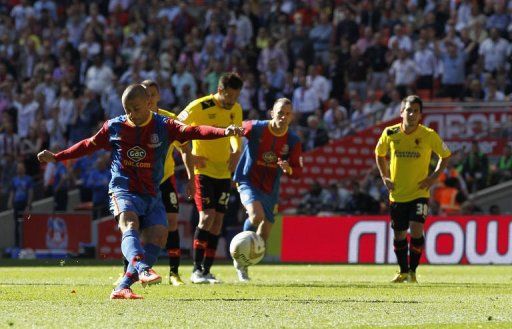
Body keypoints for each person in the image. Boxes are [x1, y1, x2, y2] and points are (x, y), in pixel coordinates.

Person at [38, 84, 242, 299]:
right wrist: (58, 157)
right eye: (127, 109)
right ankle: (142, 268)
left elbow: (194, 131)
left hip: (151, 192)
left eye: (136, 108)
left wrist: (224, 131)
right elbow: (89, 144)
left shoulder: (164, 125)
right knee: (129, 223)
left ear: (148, 103)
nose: (131, 114)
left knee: (159, 235)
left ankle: (123, 286)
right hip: (123, 189)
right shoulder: (114, 126)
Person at [117, 79, 193, 286]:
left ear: (157, 97)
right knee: (134, 225)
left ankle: (174, 272)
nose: (149, 98)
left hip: (163, 179)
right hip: (138, 181)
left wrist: (191, 178)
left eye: (152, 94)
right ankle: (130, 272)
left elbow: (186, 148)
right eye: (145, 94)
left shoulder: (168, 121)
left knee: (171, 223)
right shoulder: (130, 122)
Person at [375, 95, 451, 283]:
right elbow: (379, 154)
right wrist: (385, 176)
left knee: (416, 230)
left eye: (416, 111)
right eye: (408, 110)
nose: (412, 114)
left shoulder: (428, 134)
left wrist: (433, 178)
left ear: (420, 115)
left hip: (419, 193)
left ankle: (413, 272)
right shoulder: (390, 133)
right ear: (401, 112)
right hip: (398, 194)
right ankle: (403, 271)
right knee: (399, 234)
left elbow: (446, 155)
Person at [177, 72, 244, 284]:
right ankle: (196, 270)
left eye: (236, 97)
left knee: (217, 223)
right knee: (207, 217)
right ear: (220, 90)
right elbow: (175, 128)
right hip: (203, 171)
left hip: (223, 173)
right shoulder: (200, 106)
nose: (233, 102)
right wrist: (190, 154)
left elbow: (236, 137)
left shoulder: (236, 109)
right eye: (230, 97)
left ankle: (206, 271)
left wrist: (235, 152)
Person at [232, 98, 303, 282]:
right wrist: (234, 150)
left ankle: (245, 263)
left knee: (263, 236)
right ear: (272, 113)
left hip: (271, 188)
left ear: (291, 117)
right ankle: (240, 261)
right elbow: (235, 129)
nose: (283, 117)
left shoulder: (293, 141)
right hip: (248, 180)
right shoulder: (256, 128)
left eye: (287, 114)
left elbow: (298, 172)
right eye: (280, 112)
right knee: (256, 216)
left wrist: (288, 169)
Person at [7, 161, 33, 247]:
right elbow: (12, 192)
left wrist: (28, 205)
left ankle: (27, 243)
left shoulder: (28, 179)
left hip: (24, 203)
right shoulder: (14, 180)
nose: (19, 169)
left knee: (27, 225)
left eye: (21, 168)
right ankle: (17, 244)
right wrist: (10, 201)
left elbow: (30, 192)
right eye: (18, 168)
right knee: (17, 225)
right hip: (17, 204)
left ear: (24, 169)